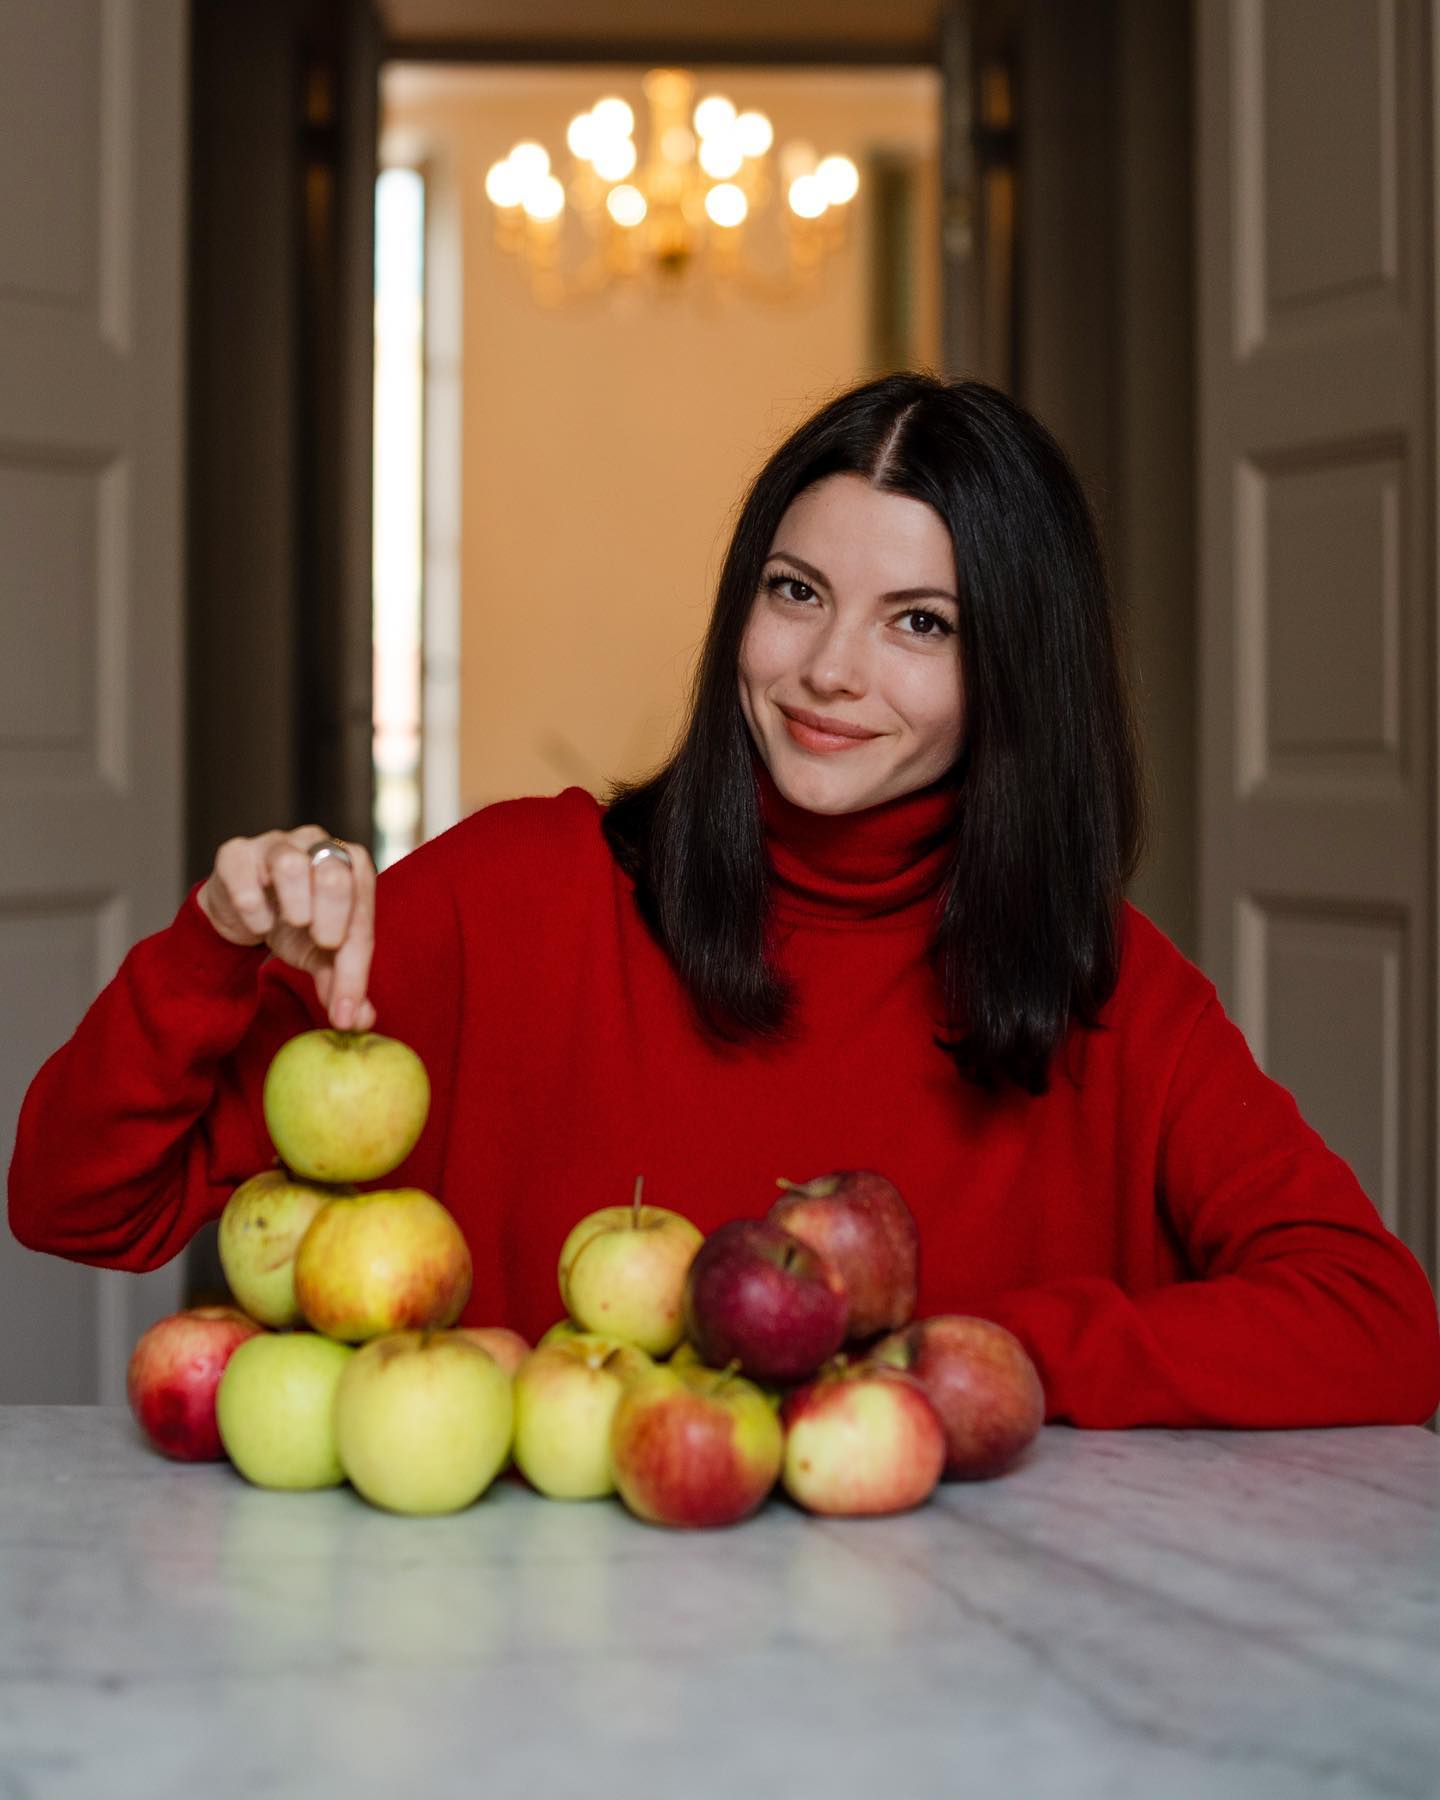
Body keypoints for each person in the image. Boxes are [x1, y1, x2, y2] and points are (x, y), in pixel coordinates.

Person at [9, 371, 1439, 1430]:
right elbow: (78, 1204)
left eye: (921, 625)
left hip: (960, 1685)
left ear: (1020, 673)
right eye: (797, 592)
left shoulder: (1106, 985)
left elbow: (1383, 1328)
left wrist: (955, 1356)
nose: (830, 670)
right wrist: (212, 948)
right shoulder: (515, 895)